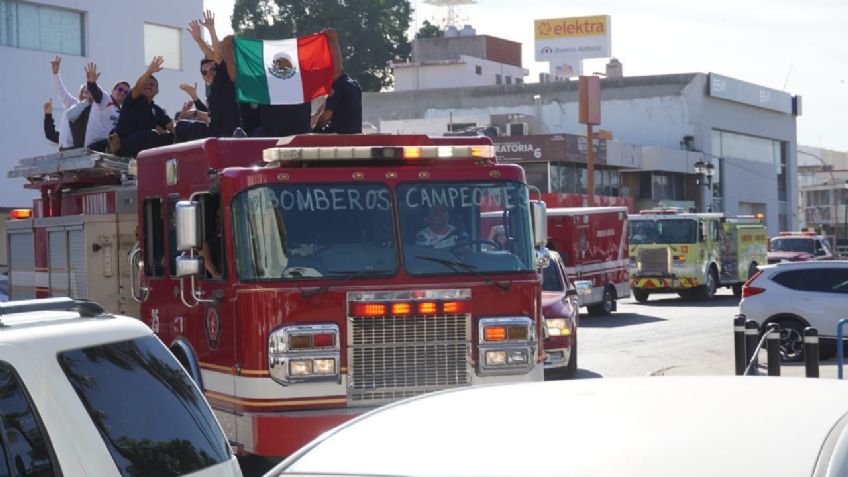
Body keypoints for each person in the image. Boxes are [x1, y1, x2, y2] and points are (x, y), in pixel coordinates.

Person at [177, 11, 241, 141]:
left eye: (212, 69)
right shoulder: (212, 94)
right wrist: (195, 99)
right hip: (215, 134)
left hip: (227, 135)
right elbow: (211, 115)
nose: (209, 73)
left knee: (181, 127)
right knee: (182, 124)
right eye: (204, 72)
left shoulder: (223, 81)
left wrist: (209, 31)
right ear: (203, 78)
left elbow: (216, 56)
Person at [114, 56, 175, 157]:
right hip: (125, 144)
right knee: (153, 134)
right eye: (145, 84)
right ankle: (146, 164)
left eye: (152, 85)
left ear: (157, 91)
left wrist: (185, 131)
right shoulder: (132, 99)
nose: (147, 86)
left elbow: (171, 126)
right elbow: (138, 86)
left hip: (145, 143)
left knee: (173, 137)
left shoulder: (156, 109)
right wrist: (149, 71)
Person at [311, 28, 362, 134]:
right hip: (355, 135)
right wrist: (316, 115)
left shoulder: (338, 86)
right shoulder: (354, 85)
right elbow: (330, 103)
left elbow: (326, 116)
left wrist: (314, 129)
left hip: (339, 136)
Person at [83, 62, 129, 151]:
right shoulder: (105, 99)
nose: (123, 93)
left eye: (126, 92)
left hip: (110, 144)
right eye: (120, 89)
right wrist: (91, 82)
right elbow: (95, 92)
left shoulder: (123, 111)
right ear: (112, 91)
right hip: (94, 146)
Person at [50, 56, 91, 150]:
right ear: (80, 94)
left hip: (76, 149)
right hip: (63, 149)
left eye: (89, 92)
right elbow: (60, 91)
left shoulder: (94, 110)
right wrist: (55, 73)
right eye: (85, 92)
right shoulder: (72, 103)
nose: (86, 95)